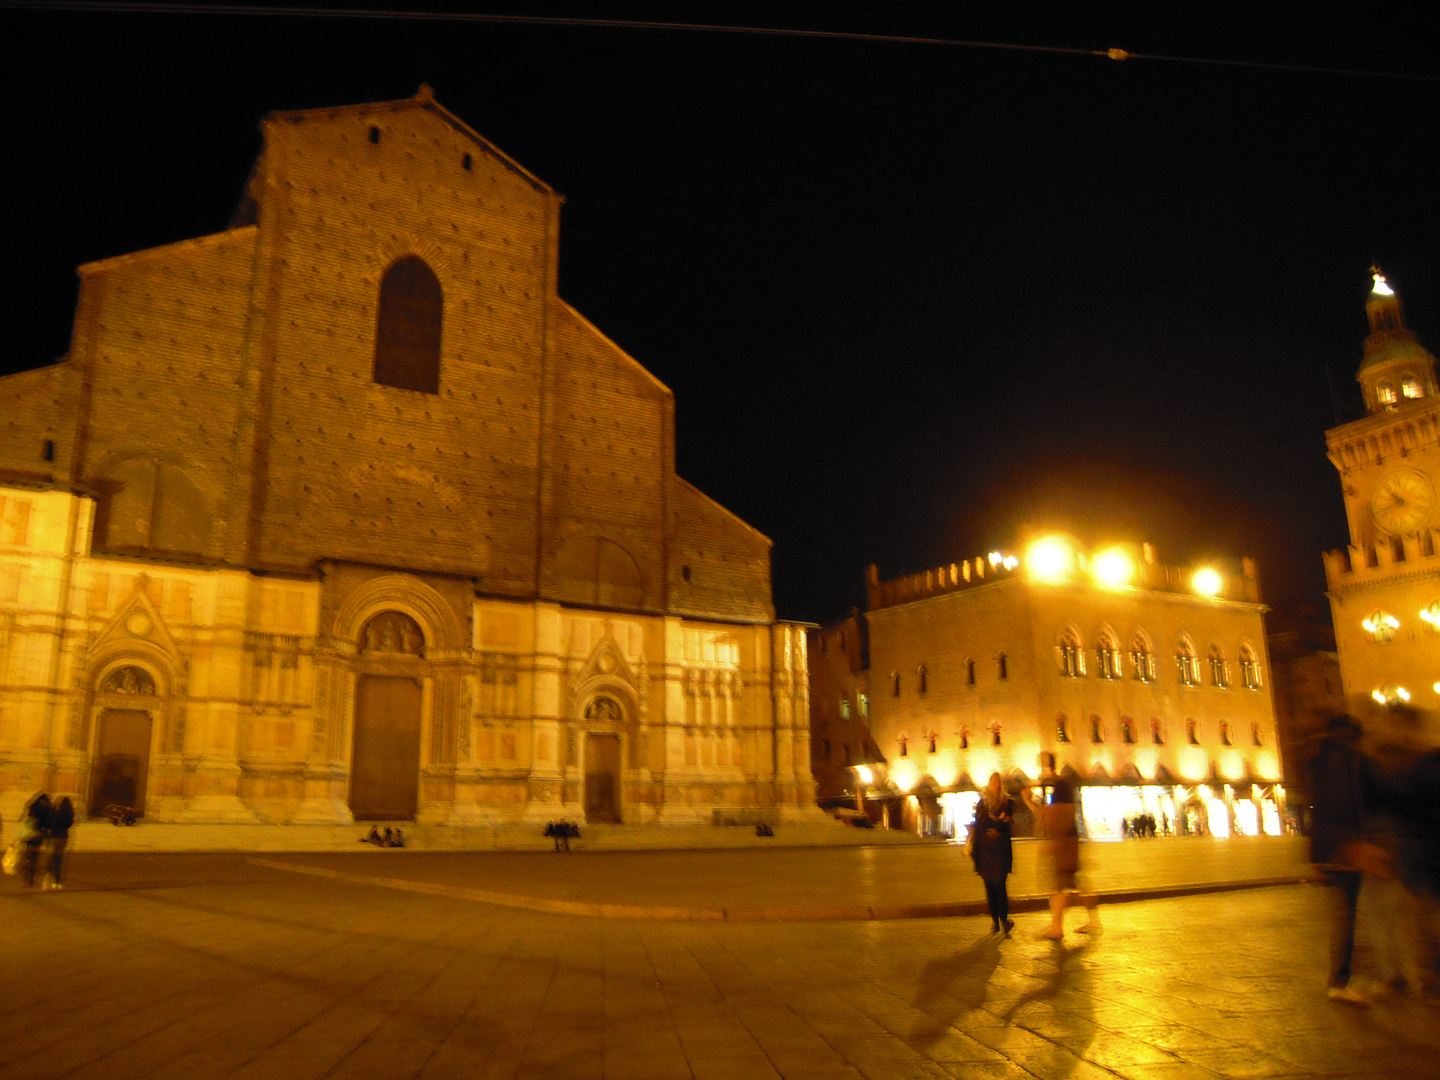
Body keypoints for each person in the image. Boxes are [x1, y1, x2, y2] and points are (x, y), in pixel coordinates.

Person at [1309, 713, 1391, 1005]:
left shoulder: (1319, 760)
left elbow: (1317, 811)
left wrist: (1317, 856)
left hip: (1331, 848)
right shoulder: (1348, 761)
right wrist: (1358, 841)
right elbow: (1352, 804)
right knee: (1351, 915)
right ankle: (1342, 980)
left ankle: (1347, 976)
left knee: (1349, 913)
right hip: (1349, 846)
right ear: (1349, 734)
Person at [1022, 753, 1100, 939]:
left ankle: (1058, 928)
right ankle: (1089, 922)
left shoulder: (1062, 786)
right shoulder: (1057, 788)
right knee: (1072, 885)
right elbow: (1047, 814)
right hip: (1064, 842)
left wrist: (1054, 841)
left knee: (1060, 885)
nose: (1040, 770)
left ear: (1049, 766)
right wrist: (1029, 801)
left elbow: (1058, 815)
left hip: (1064, 843)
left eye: (1042, 765)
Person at [971, 772, 1015, 935]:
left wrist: (993, 824)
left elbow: (1005, 823)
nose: (995, 784)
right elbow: (980, 823)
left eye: (997, 781)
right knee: (989, 887)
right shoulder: (983, 803)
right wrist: (995, 823)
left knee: (1000, 887)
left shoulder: (1007, 802)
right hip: (985, 852)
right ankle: (995, 921)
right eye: (992, 781)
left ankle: (1004, 920)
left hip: (1000, 852)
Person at [18, 793, 51, 889]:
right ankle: (30, 878)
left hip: (29, 834)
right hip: (38, 835)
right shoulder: (45, 809)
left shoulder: (32, 806)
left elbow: (27, 819)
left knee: (29, 854)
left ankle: (26, 870)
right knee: (34, 857)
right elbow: (47, 823)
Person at [44, 796, 74, 890]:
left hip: (53, 836)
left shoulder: (54, 813)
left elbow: (48, 823)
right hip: (63, 837)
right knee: (58, 859)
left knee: (50, 858)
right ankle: (57, 881)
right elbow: (69, 824)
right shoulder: (68, 814)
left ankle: (49, 877)